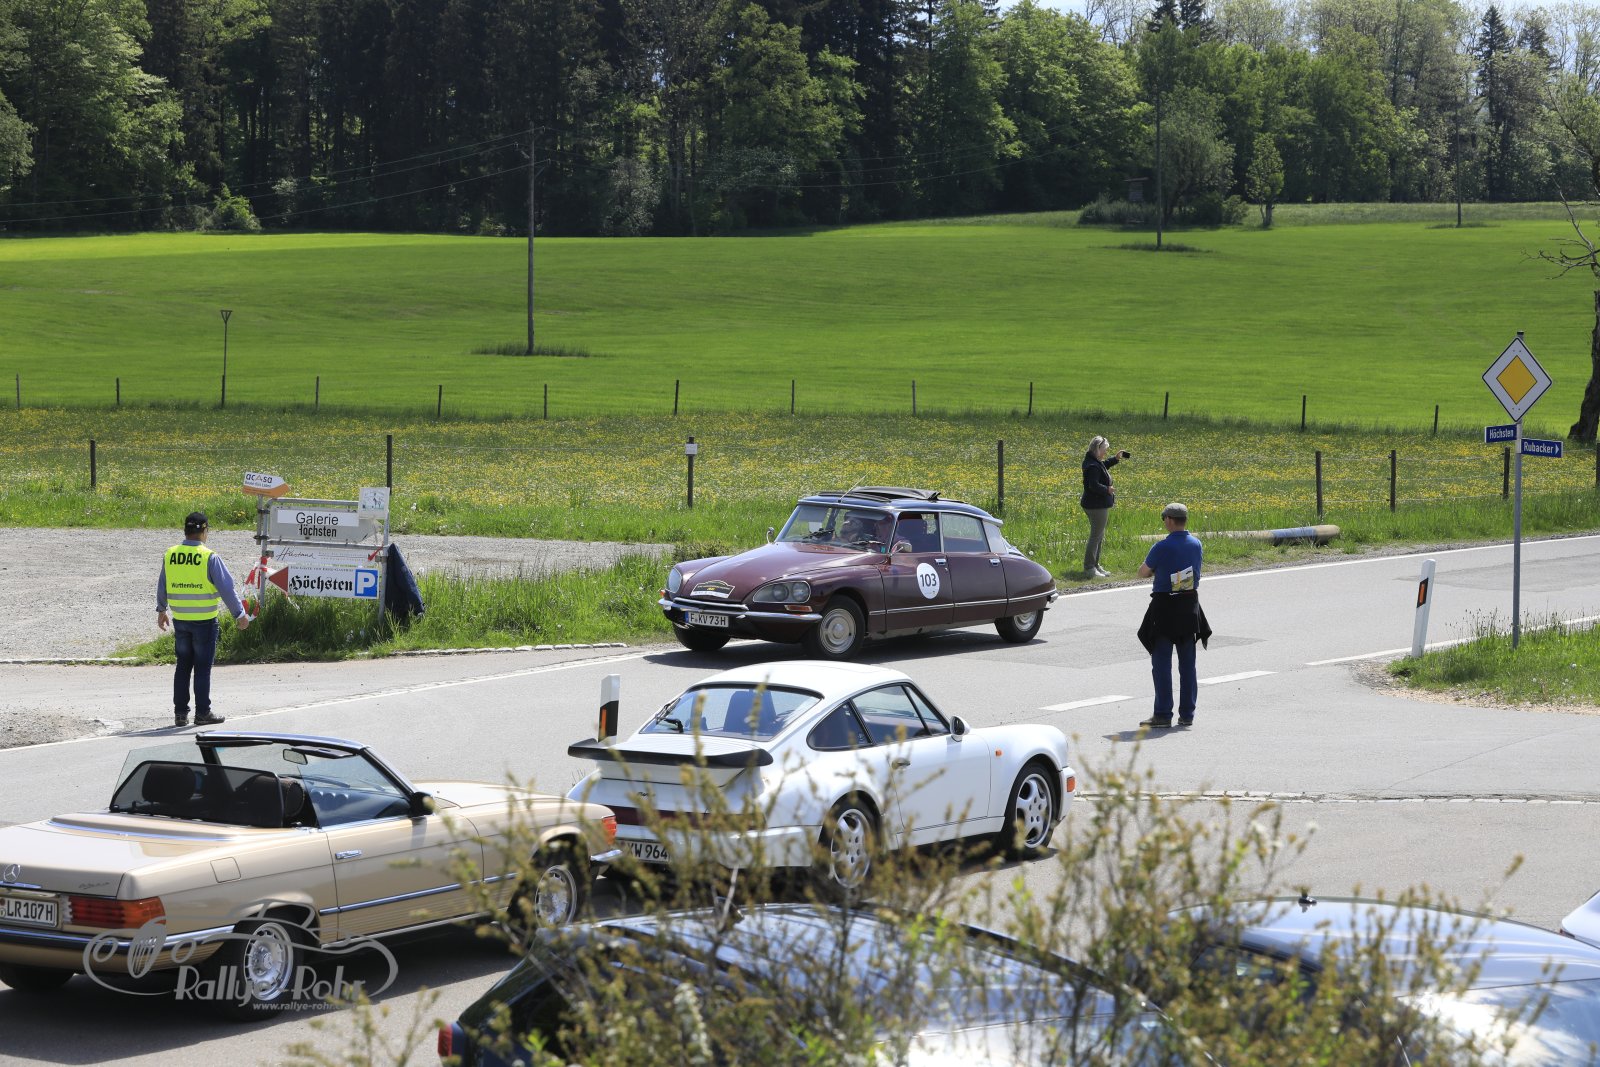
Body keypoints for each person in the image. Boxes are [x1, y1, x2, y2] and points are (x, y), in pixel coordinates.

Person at [157, 511, 250, 727]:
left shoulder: (170, 554)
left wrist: (161, 610)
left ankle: (180, 714)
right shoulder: (209, 557)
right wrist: (239, 614)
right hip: (205, 621)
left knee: (182, 666)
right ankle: (202, 713)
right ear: (204, 531)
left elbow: (162, 584)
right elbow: (226, 589)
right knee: (202, 668)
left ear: (185, 530)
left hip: (181, 619)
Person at [1136, 502, 1210, 730]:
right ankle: (1187, 714)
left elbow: (1142, 572)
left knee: (1161, 663)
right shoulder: (1196, 544)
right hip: (1188, 606)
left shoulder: (1161, 547)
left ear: (1169, 519)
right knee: (1187, 664)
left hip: (1165, 608)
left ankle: (1162, 714)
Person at [1080, 435, 1130, 578]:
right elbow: (1093, 485)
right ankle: (1090, 568)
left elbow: (1103, 467)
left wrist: (1116, 459)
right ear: (1097, 449)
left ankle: (1095, 565)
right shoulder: (1093, 466)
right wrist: (1107, 489)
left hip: (1095, 504)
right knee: (1096, 536)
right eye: (1104, 449)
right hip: (1096, 505)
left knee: (1099, 535)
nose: (1105, 452)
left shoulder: (1094, 461)